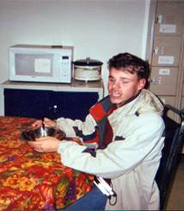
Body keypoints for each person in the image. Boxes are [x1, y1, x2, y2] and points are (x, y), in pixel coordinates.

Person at [29, 52, 165, 210]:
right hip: (97, 176)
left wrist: (60, 147)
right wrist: (56, 125)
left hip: (119, 191)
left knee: (51, 204)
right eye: (112, 79)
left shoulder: (148, 122)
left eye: (124, 81)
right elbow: (87, 131)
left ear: (141, 84)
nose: (114, 87)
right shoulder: (112, 103)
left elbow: (111, 163)